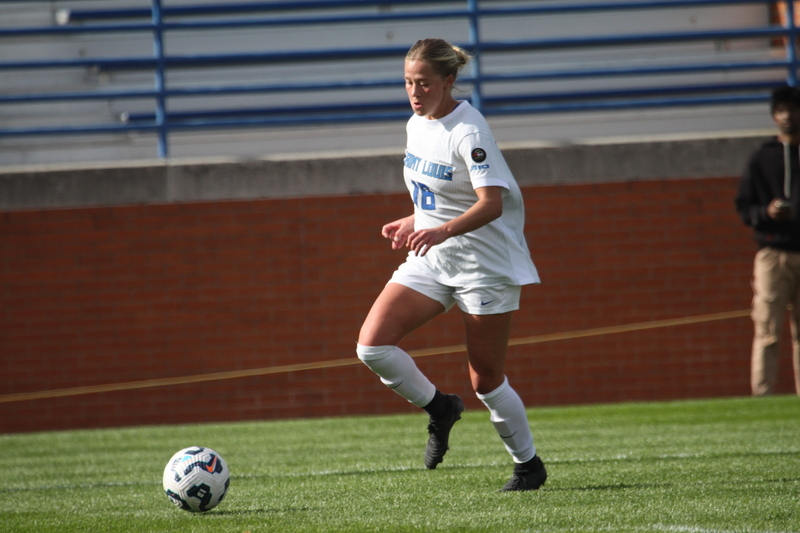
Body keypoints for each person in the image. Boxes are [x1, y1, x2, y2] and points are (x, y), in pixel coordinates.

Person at [356, 38, 546, 491]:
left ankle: (528, 466)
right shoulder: (416, 124)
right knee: (372, 346)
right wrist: (414, 221)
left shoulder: (469, 129)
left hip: (484, 265)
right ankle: (441, 408)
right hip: (435, 256)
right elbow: (438, 198)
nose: (415, 92)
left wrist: (440, 230)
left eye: (424, 83)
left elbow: (490, 204)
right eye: (407, 83)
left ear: (449, 81)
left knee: (486, 379)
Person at [735, 84, 800, 396]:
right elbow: (744, 207)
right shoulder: (763, 158)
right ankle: (763, 395)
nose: (788, 116)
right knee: (767, 328)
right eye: (782, 111)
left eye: (793, 109)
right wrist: (768, 212)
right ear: (775, 116)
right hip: (773, 252)